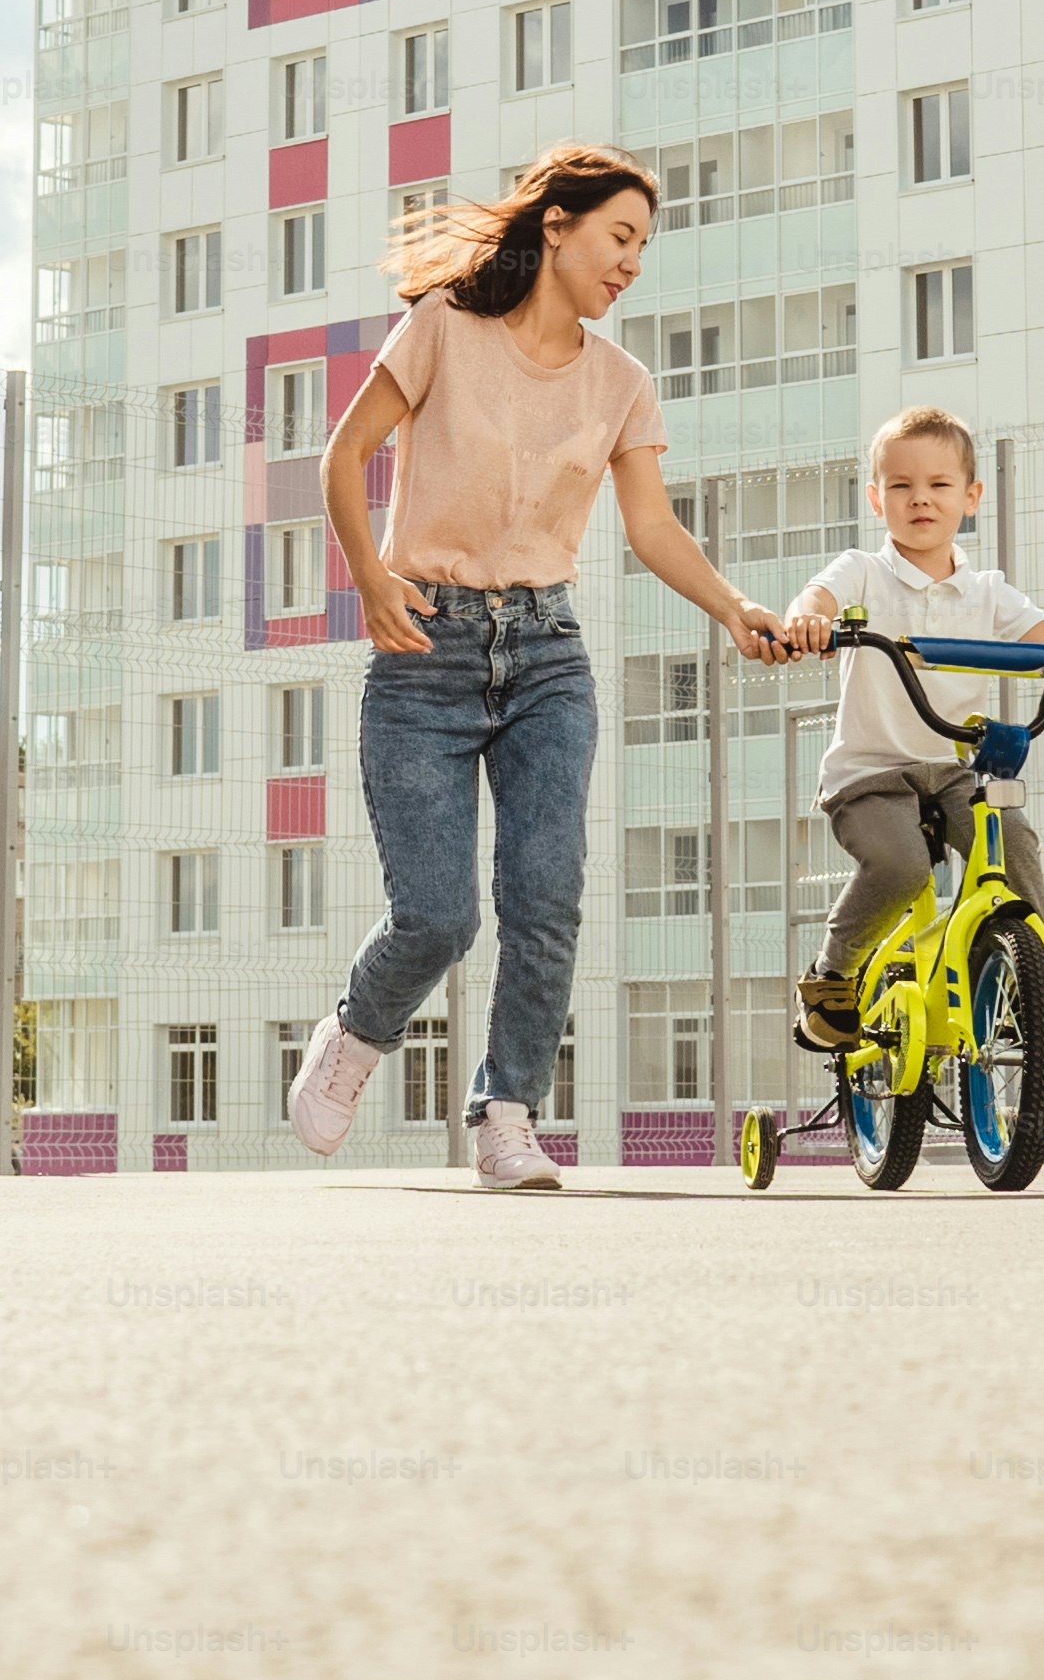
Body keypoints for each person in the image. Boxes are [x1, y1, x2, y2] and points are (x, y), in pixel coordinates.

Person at [289, 145, 788, 1189]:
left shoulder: (621, 384)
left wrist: (735, 604)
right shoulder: (442, 331)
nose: (632, 264)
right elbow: (342, 457)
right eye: (620, 237)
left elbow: (652, 528)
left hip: (548, 657)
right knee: (438, 914)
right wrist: (370, 580)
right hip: (427, 649)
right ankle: (354, 1033)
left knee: (547, 894)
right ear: (556, 225)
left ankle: (506, 1113)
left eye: (644, 246)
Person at [778, 405, 1044, 1049]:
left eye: (940, 485)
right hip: (869, 775)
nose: (920, 499)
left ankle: (1027, 978)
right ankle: (831, 976)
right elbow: (816, 599)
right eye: (901, 486)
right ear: (877, 499)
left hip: (951, 772)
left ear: (971, 497)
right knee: (901, 870)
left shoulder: (987, 592)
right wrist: (808, 621)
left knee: (1011, 839)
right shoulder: (860, 572)